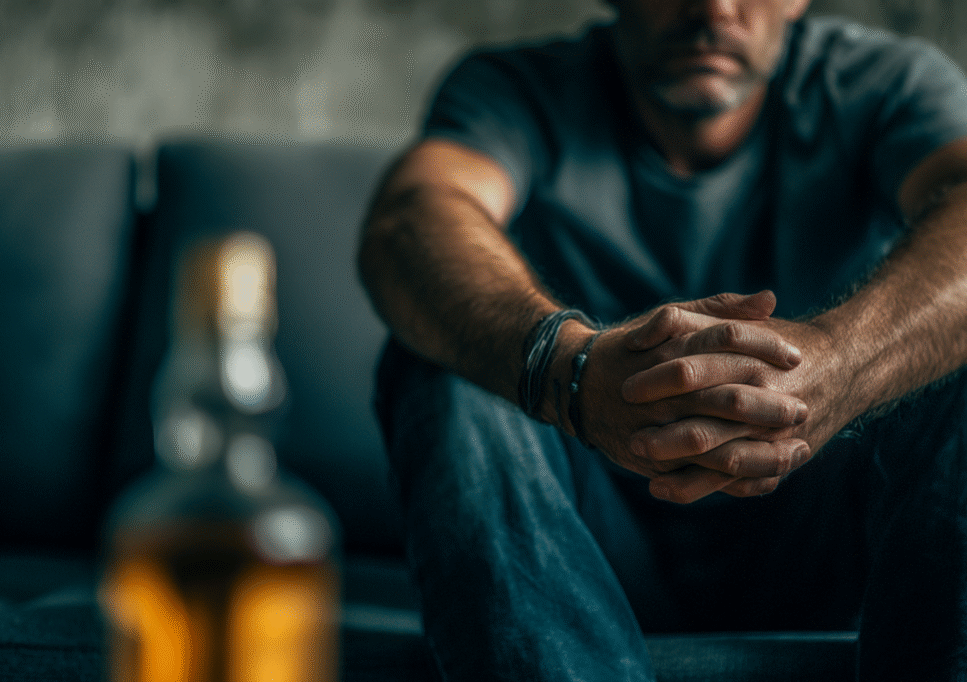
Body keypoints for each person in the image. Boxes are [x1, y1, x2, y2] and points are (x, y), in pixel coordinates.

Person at [357, 0, 967, 679]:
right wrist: (570, 372)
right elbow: (411, 220)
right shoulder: (516, 89)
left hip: (826, 539)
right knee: (446, 360)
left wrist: (842, 363)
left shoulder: (883, 83)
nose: (713, 9)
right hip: (578, 548)